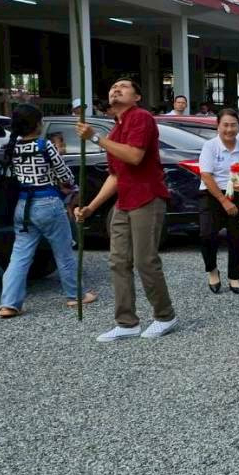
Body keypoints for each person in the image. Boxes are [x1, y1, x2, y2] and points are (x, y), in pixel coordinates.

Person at [75, 78, 178, 343]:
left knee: (145, 260)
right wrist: (91, 207)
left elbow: (134, 156)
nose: (115, 90)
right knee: (117, 261)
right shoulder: (116, 128)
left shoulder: (141, 117)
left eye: (123, 86)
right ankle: (126, 321)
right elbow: (116, 175)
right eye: (112, 87)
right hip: (124, 201)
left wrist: (95, 138)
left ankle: (165, 316)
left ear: (137, 97)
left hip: (147, 196)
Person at [0, 104, 95, 318]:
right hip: (48, 203)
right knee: (64, 252)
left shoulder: (11, 147)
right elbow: (65, 174)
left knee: (20, 256)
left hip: (22, 206)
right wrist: (72, 188)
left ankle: (9, 304)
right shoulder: (44, 146)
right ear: (36, 124)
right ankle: (75, 295)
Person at [197, 108, 239, 295]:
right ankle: (212, 270)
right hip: (212, 194)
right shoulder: (210, 146)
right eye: (225, 125)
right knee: (207, 235)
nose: (229, 129)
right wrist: (223, 201)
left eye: (233, 125)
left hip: (238, 193)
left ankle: (235, 277)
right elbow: (206, 175)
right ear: (217, 126)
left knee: (238, 237)